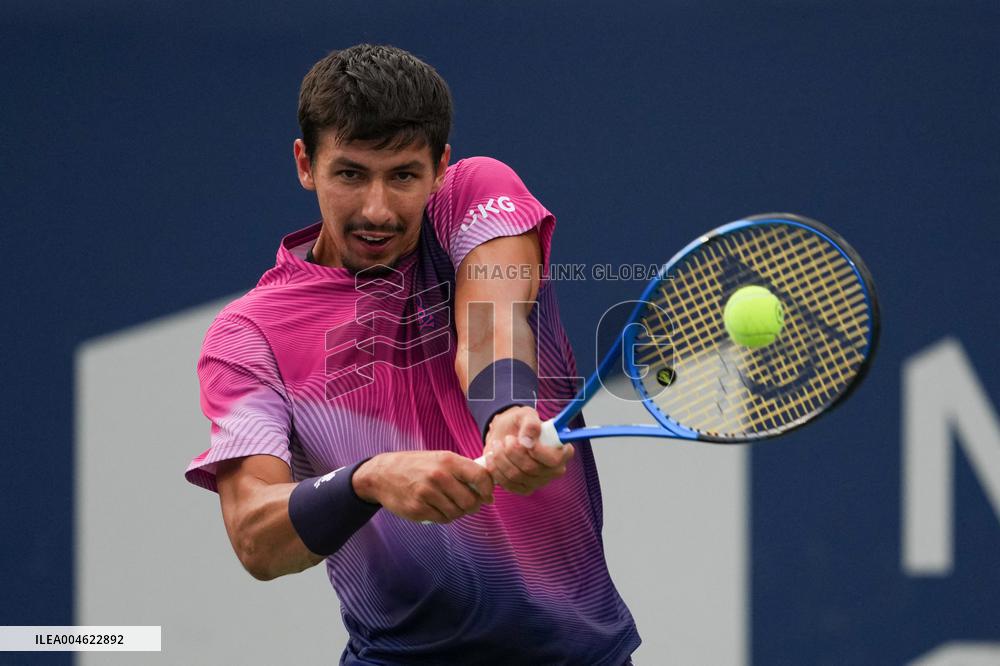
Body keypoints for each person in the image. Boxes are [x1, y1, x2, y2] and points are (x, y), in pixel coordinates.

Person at [185, 44, 639, 665]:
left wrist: (506, 414)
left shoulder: (473, 194)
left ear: (440, 166)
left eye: (403, 175)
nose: (377, 209)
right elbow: (256, 538)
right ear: (304, 163)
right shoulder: (249, 335)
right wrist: (367, 480)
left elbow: (492, 324)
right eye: (350, 174)